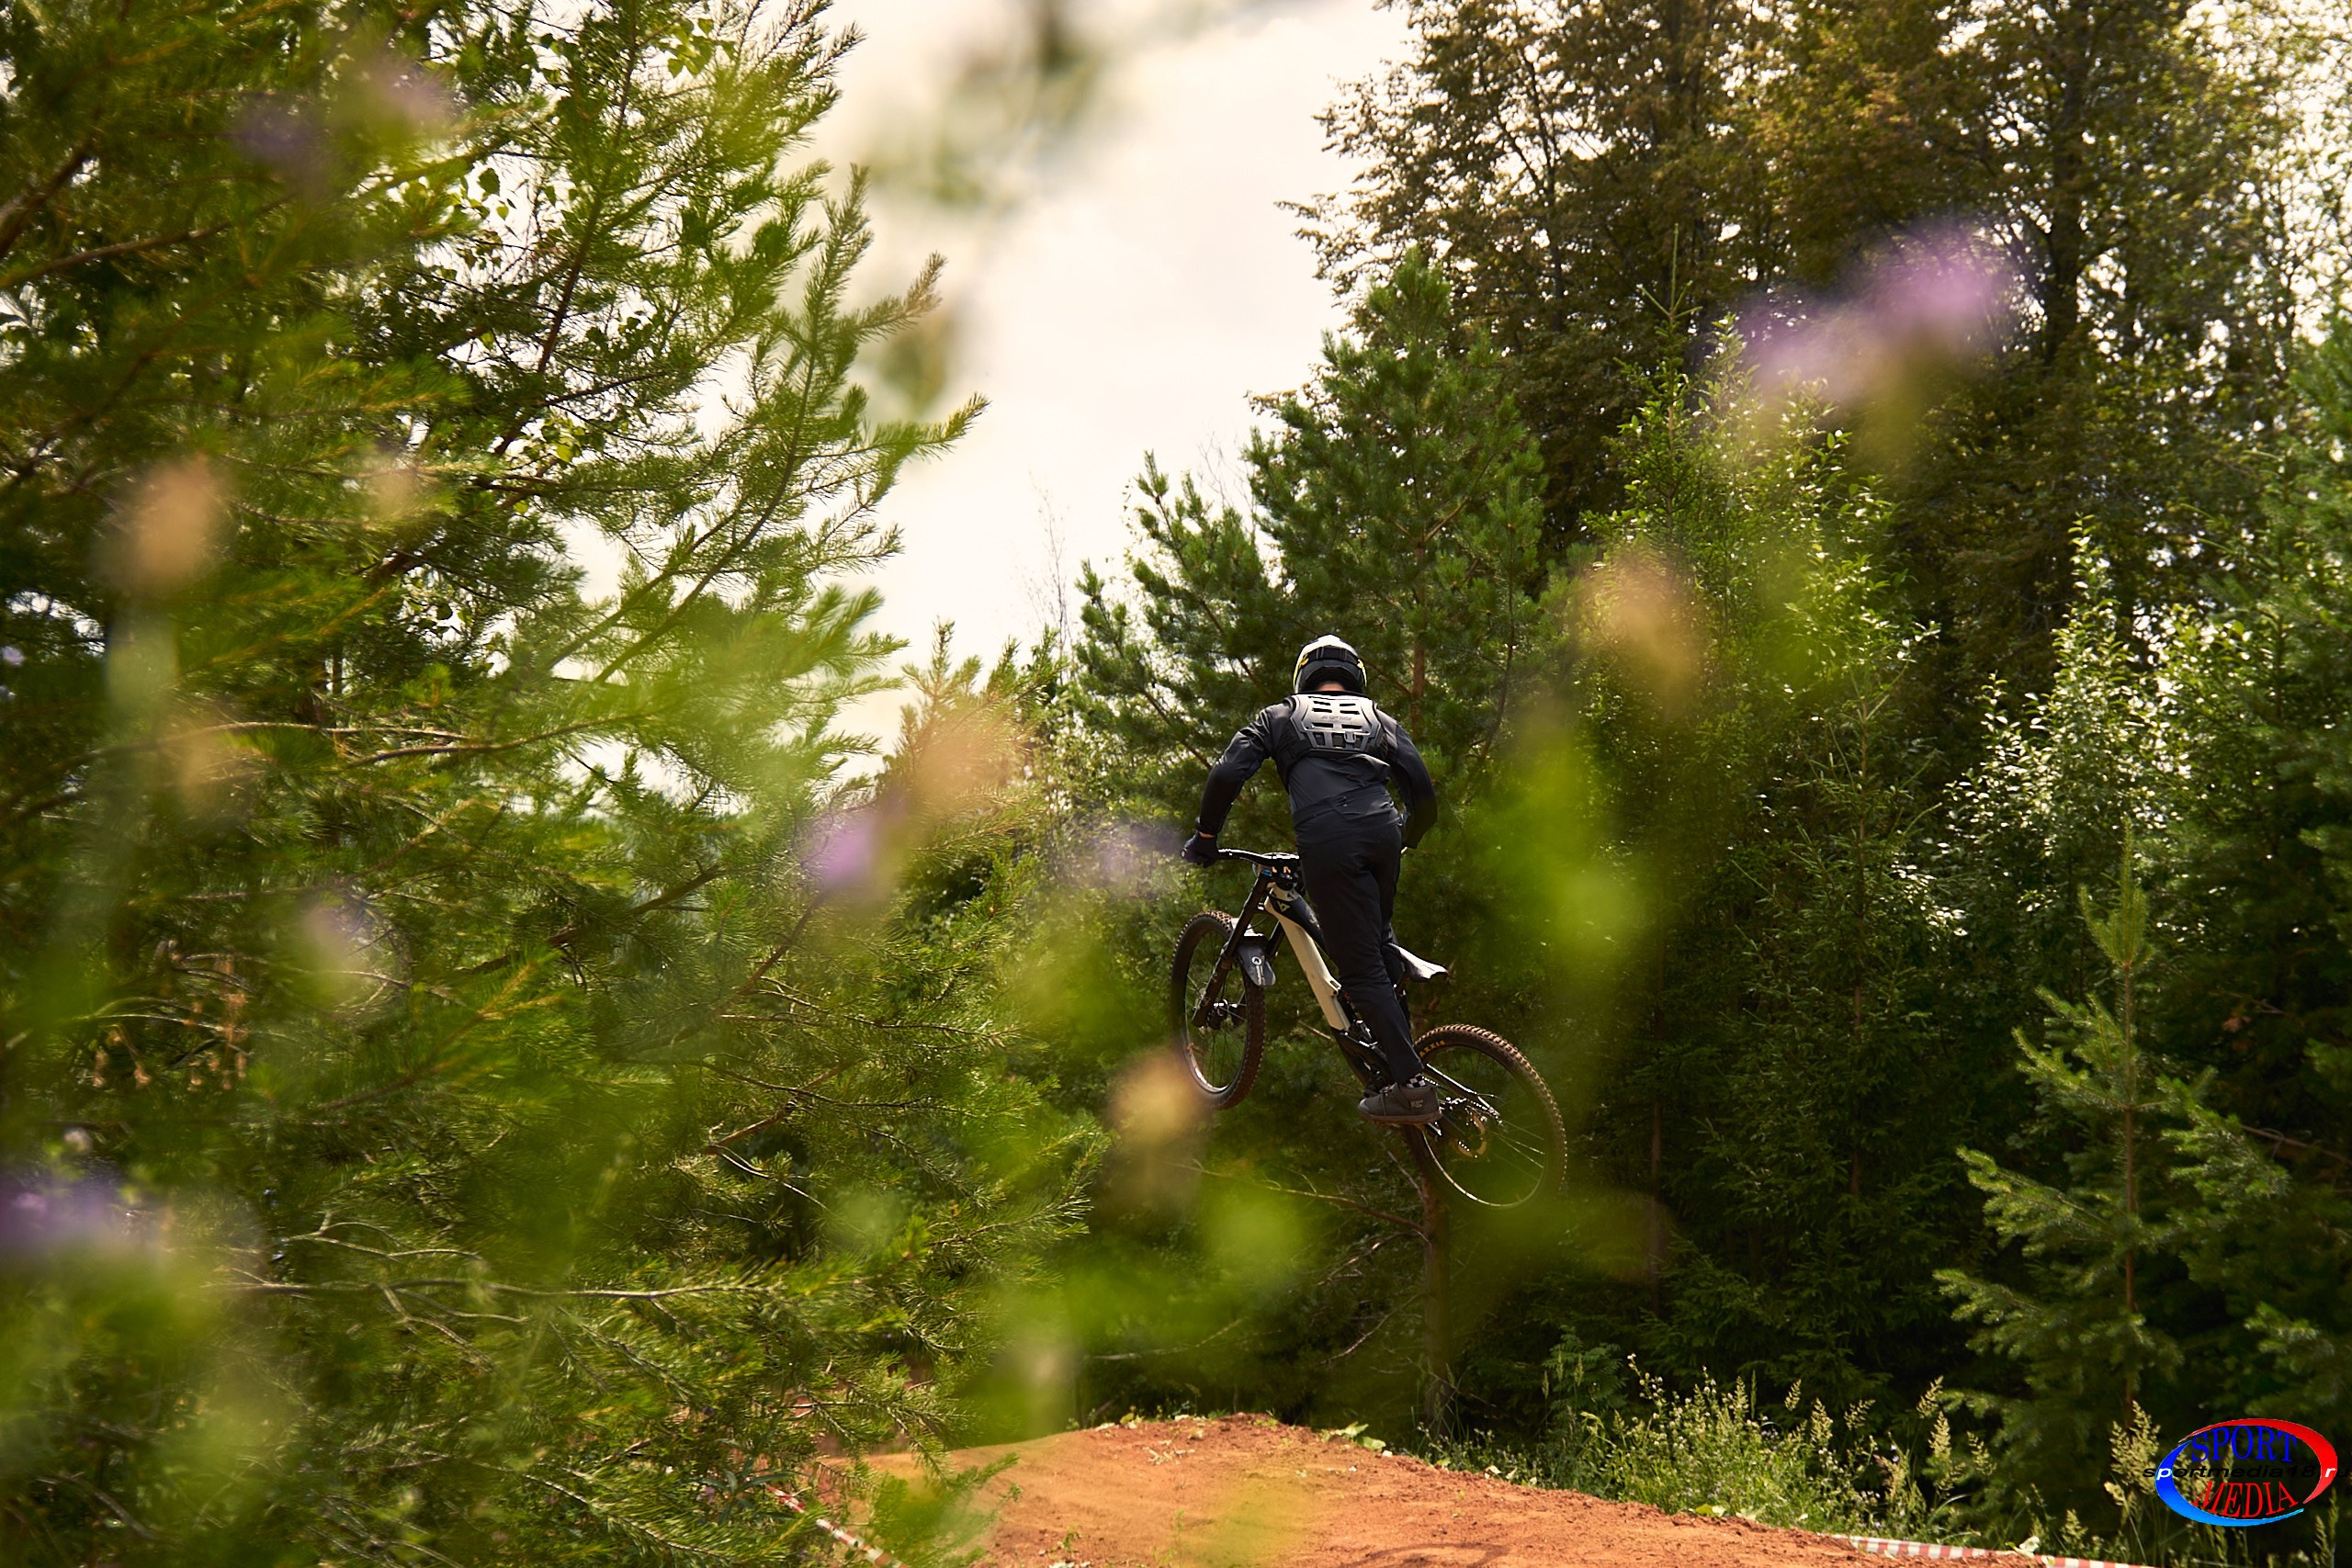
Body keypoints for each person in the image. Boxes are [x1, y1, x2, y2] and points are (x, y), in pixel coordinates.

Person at [1181, 635, 1441, 1124]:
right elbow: (1423, 798)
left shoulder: (1279, 717)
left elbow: (1227, 773)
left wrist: (1206, 836)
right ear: (1356, 676)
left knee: (1358, 968)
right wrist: (1402, 838)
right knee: (1376, 945)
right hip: (1383, 832)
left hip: (1328, 836)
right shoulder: (1380, 721)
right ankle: (1394, 1054)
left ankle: (1410, 1087)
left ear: (1303, 676)